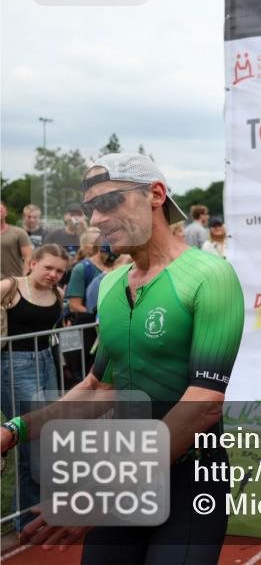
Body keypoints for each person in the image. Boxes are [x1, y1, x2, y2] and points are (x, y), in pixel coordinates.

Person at [1, 153, 245, 562]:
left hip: (189, 478)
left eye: (110, 201)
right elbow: (99, 388)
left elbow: (203, 404)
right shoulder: (111, 285)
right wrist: (13, 430)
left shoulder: (210, 275)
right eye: (89, 207)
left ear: (156, 194)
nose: (96, 219)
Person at [0, 244, 69, 532]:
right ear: (33, 263)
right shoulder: (9, 287)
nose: (53, 274)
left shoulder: (58, 294)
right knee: (31, 439)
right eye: (48, 267)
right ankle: (26, 523)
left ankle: (38, 513)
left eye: (60, 271)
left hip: (46, 363)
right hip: (13, 365)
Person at [65, 228, 113, 376]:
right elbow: (74, 304)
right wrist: (99, 318)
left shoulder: (116, 265)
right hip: (89, 331)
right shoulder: (82, 268)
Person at [1, 200, 32, 278]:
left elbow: (28, 256)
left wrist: (24, 277)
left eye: (0, 211)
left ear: (6, 213)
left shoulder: (18, 232)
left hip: (13, 280)